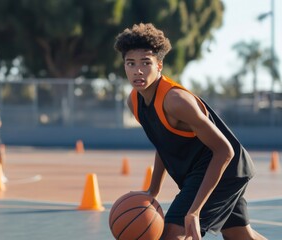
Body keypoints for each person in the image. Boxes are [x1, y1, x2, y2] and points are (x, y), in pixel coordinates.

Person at [114, 23, 266, 240]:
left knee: (172, 234)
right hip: (207, 171)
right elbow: (163, 143)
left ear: (159, 65)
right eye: (131, 63)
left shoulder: (175, 101)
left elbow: (225, 151)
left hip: (224, 168)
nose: (137, 70)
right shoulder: (135, 101)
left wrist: (194, 211)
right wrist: (152, 190)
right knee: (240, 236)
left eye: (145, 63)